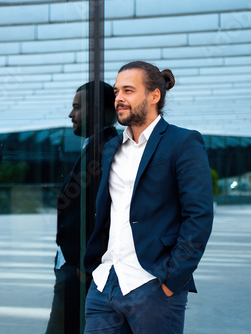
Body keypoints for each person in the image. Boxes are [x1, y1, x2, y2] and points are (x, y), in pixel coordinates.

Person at [83, 61, 214, 334]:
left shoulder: (183, 142)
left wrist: (172, 279)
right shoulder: (111, 148)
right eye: (117, 91)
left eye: (128, 91)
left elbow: (198, 216)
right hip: (104, 283)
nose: (119, 98)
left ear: (154, 95)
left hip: (153, 285)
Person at [46, 81, 118, 334]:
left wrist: (84, 262)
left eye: (77, 107)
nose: (70, 114)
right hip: (77, 267)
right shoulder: (98, 146)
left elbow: (102, 210)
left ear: (96, 109)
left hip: (81, 270)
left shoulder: (106, 149)